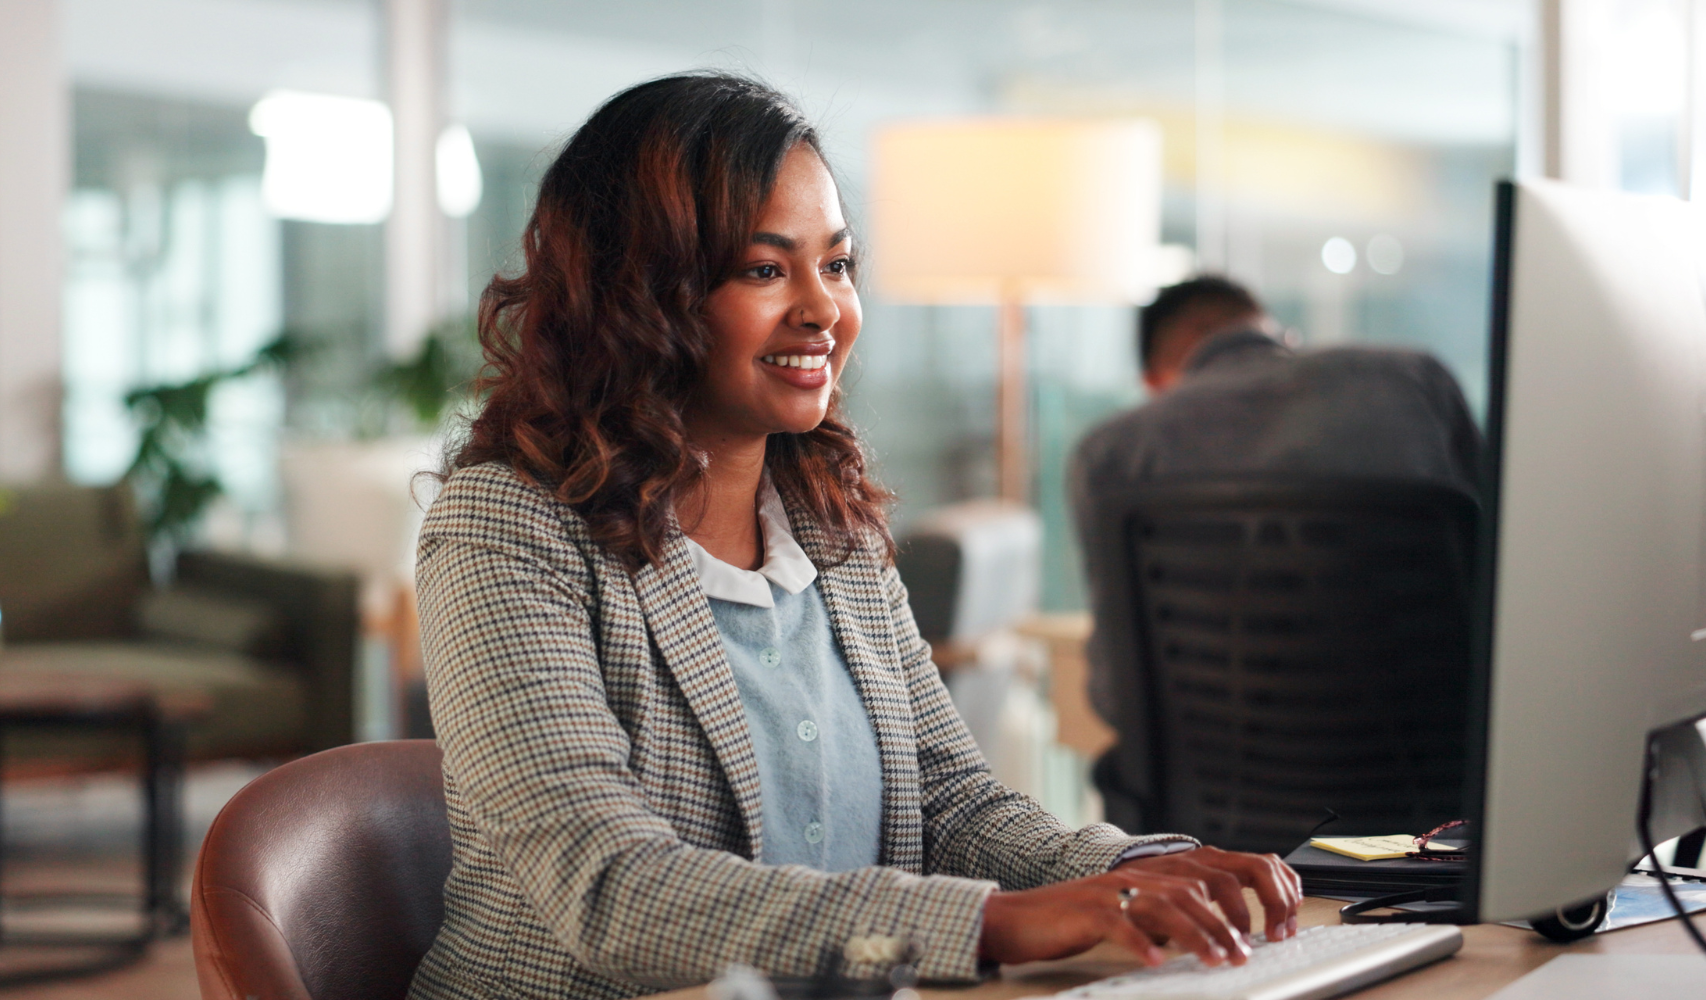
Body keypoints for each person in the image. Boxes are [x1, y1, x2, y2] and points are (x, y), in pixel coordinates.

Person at [410, 76, 1301, 1000]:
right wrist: (989, 923)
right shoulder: (506, 529)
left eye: (835, 264)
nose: (824, 309)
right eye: (765, 269)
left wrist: (1144, 872)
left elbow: (952, 799)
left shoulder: (826, 524)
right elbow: (609, 889)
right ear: (640, 296)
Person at [1069, 275, 1482, 828]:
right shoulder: (1415, 384)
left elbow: (1118, 697)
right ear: (1275, 334)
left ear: (1157, 379)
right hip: (1435, 819)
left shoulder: (1111, 452)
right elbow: (1502, 607)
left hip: (1219, 839)